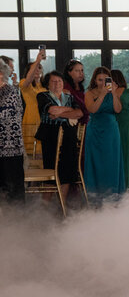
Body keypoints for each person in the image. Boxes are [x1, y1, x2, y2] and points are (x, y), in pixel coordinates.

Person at [35, 71, 83, 201]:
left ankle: (61, 205)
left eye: (60, 81)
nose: (57, 84)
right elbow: (51, 110)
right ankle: (46, 206)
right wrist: (69, 111)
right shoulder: (42, 95)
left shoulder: (70, 97)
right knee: (51, 171)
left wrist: (59, 112)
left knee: (67, 171)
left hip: (69, 136)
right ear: (47, 84)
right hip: (50, 136)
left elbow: (79, 113)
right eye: (53, 81)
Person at [84, 66, 125, 200]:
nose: (102, 83)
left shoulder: (114, 92)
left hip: (111, 132)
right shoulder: (89, 93)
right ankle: (96, 198)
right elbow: (92, 109)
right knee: (96, 164)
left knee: (112, 163)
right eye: (100, 80)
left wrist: (113, 93)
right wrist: (101, 94)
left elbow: (118, 109)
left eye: (105, 80)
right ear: (95, 80)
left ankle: (113, 196)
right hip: (95, 131)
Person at [0, 59, 25, 204]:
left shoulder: (10, 92)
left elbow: (6, 114)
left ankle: (17, 223)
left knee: (12, 190)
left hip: (10, 149)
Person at [111, 70, 129, 188]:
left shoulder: (128, 92)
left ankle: (121, 185)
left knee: (123, 154)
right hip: (119, 125)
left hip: (120, 125)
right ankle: (125, 184)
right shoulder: (128, 92)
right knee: (122, 154)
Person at [19, 49, 47, 156]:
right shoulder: (24, 83)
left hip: (44, 118)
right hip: (31, 117)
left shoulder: (45, 85)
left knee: (44, 151)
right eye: (34, 68)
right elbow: (28, 80)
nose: (37, 70)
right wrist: (37, 61)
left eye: (39, 68)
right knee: (32, 153)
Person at [63, 59, 89, 126]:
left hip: (85, 125)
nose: (81, 73)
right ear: (69, 72)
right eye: (77, 71)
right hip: (73, 126)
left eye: (82, 70)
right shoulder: (66, 89)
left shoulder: (81, 88)